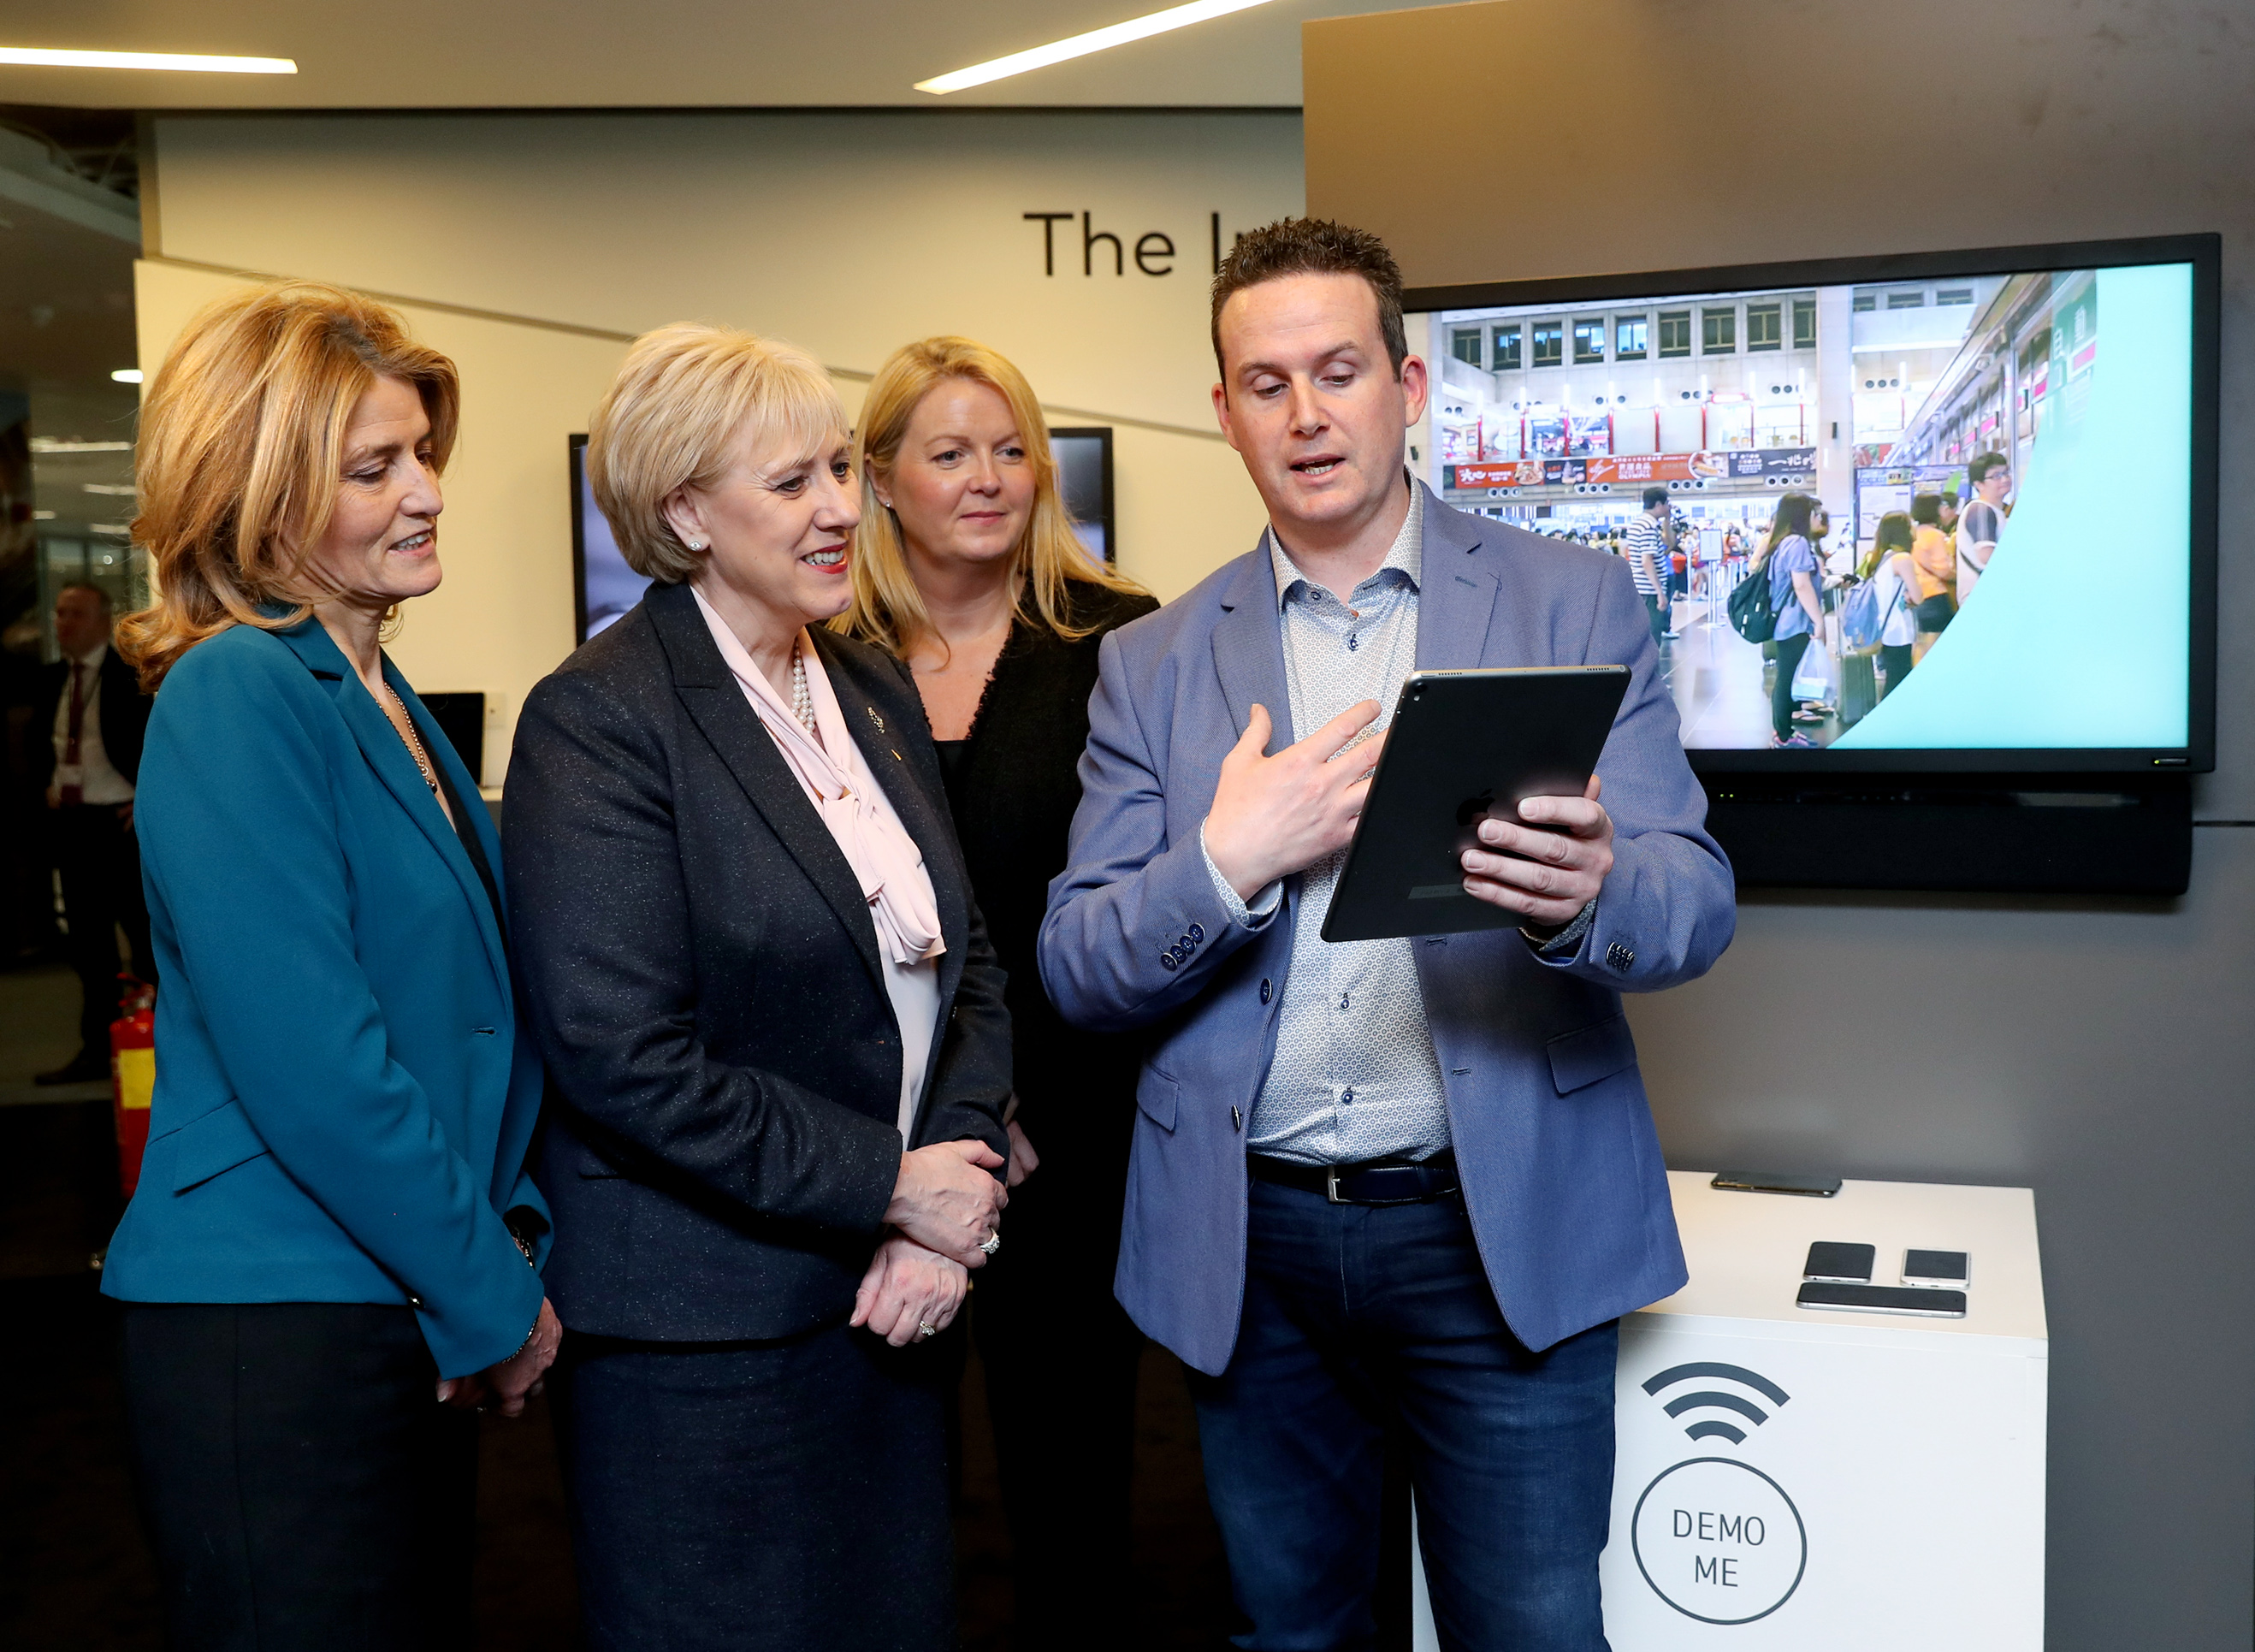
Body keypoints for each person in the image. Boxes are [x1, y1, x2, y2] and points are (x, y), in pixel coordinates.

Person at [1039, 218, 1736, 1650]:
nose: (1308, 413)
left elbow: (1694, 895)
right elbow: (1077, 961)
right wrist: (1226, 866)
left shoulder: (1569, 600)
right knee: (1290, 1631)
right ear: (1223, 410)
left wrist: (1591, 894)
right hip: (1258, 1244)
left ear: (1407, 387)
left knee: (1533, 1630)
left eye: (1339, 370)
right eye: (1267, 381)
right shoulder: (1149, 662)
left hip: (1495, 1231)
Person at [505, 323, 1013, 1652]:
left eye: (841, 467)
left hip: (890, 1302)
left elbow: (968, 957)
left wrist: (947, 1172)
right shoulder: (600, 716)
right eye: (792, 483)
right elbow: (623, 1055)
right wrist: (895, 1184)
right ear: (683, 510)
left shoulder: (861, 675)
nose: (844, 506)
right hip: (704, 1340)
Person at [99, 281, 559, 1649]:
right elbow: (318, 1067)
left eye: (424, 452)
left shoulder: (373, 688)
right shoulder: (233, 692)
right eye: (375, 467)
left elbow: (469, 1022)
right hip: (271, 1319)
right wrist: (494, 1292)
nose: (426, 491)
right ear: (259, 495)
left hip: (378, 1299)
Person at [833, 335, 1157, 1650]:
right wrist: (927, 1134)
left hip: (1071, 1142)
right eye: (950, 451)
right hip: (871, 1152)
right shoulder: (819, 660)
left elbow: (1150, 912)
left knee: (1076, 1496)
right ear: (881, 478)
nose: (989, 477)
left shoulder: (1121, 643)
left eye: (1012, 447)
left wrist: (1014, 1112)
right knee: (876, 1510)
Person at [33, 581, 154, 1083]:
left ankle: (158, 1044)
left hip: (121, 825)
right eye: (60, 614)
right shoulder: (50, 681)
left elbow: (163, 745)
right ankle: (96, 1051)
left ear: (105, 620)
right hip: (75, 827)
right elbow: (45, 744)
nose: (64, 623)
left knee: (144, 939)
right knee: (89, 947)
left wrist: (146, 801)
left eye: (76, 614)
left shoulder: (133, 676)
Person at [1764, 493, 1826, 748]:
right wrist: (1818, 620)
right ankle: (1782, 735)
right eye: (1815, 513)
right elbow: (1801, 585)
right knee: (1787, 677)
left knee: (1786, 676)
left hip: (1785, 621)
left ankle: (1785, 731)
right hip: (1794, 622)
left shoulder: (1782, 541)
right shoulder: (1797, 542)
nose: (1818, 518)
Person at [1858, 510, 1921, 696]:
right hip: (1899, 628)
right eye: (1911, 525)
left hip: (1884, 627)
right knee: (1899, 680)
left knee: (1893, 678)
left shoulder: (1881, 558)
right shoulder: (1903, 559)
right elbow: (1918, 597)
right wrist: (1912, 596)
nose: (1914, 529)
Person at [1956, 452, 2011, 601]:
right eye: (1996, 476)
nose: (2005, 479)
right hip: (1983, 599)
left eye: (2006, 473)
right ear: (1978, 484)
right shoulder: (1980, 510)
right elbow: (1987, 556)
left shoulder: (1994, 511)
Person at [1909, 492, 1956, 661]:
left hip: (1917, 597)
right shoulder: (1936, 535)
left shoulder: (1911, 534)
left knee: (1920, 645)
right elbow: (1943, 570)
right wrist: (1958, 577)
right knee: (1936, 650)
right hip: (1935, 597)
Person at [1623, 485, 1672, 646]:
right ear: (1658, 505)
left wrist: (1667, 521)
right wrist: (1659, 592)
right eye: (1666, 504)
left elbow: (1669, 544)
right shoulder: (1648, 527)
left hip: (1639, 586)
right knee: (1652, 635)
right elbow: (1647, 561)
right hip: (1649, 590)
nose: (1668, 507)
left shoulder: (1638, 523)